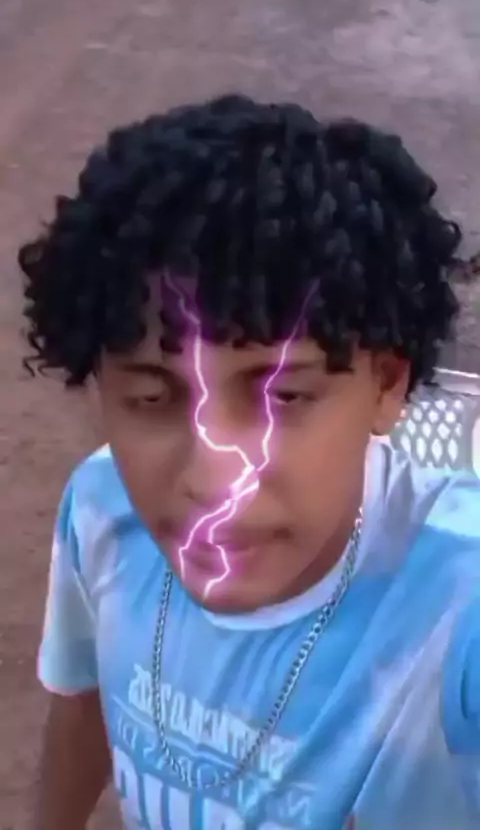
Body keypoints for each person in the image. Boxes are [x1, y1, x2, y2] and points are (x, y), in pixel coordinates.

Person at [19, 94, 480, 830]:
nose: (213, 482)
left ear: (387, 385)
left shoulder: (457, 603)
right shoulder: (102, 508)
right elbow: (85, 699)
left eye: (284, 396)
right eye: (150, 398)